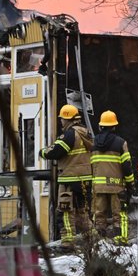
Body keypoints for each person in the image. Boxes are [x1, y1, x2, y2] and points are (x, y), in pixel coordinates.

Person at [40, 104, 93, 249]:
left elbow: (55, 151)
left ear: (68, 119)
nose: (61, 121)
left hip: (69, 179)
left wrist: (42, 152)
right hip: (85, 179)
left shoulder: (69, 135)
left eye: (62, 119)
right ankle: (92, 238)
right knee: (82, 211)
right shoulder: (85, 133)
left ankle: (68, 242)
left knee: (65, 211)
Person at [90, 110, 136, 245]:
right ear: (114, 126)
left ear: (100, 126)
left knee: (99, 215)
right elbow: (126, 166)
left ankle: (100, 242)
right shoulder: (121, 143)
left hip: (98, 186)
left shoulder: (93, 143)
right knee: (119, 215)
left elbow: (90, 165)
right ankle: (120, 241)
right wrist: (131, 184)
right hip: (116, 186)